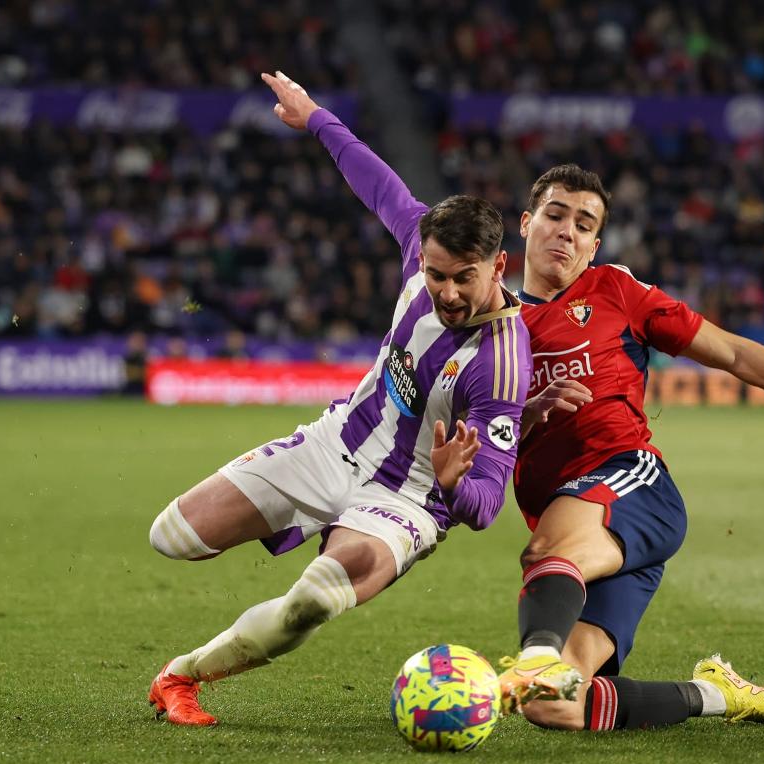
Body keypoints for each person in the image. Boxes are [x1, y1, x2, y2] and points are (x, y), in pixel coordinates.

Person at [145, 71, 532, 726]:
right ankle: (305, 519)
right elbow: (380, 185)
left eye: (464, 278)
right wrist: (319, 119)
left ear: (498, 267)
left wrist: (453, 486)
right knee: (173, 536)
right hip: (333, 445)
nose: (446, 292)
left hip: (405, 499)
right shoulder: (420, 248)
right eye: (436, 275)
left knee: (313, 602)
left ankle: (180, 677)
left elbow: (488, 505)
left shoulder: (501, 367)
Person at [498, 164, 764, 731]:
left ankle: (533, 661)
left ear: (594, 245)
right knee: (555, 706)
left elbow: (734, 354)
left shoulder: (615, 291)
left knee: (548, 552)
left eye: (584, 224)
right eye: (555, 215)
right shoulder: (493, 325)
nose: (566, 232)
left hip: (630, 485)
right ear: (527, 224)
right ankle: (717, 694)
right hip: (581, 528)